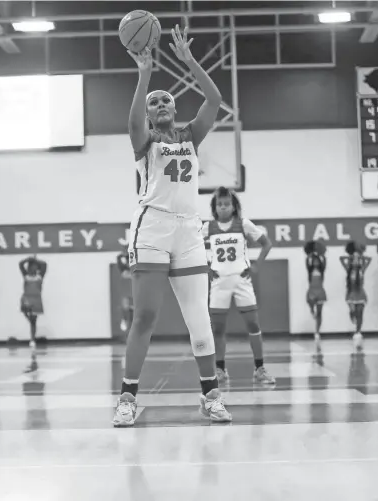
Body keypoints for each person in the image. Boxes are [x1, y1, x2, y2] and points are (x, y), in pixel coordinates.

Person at [112, 25, 231, 427]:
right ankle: (127, 398)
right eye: (154, 102)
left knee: (199, 315)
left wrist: (189, 62)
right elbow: (131, 127)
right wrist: (144, 74)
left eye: (166, 99)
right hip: (153, 228)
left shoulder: (191, 136)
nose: (161, 104)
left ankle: (211, 395)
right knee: (145, 314)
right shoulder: (144, 142)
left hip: (190, 231)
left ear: (175, 109)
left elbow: (214, 99)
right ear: (148, 113)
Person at [202, 187, 275, 384]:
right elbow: (192, 248)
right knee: (217, 329)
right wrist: (206, 268)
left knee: (253, 324)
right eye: (220, 204)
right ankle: (220, 369)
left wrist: (257, 264)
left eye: (227, 204)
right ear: (215, 208)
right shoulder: (208, 227)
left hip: (242, 281)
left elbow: (266, 243)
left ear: (234, 207)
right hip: (219, 282)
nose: (223, 208)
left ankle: (259, 369)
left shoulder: (244, 224)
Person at [340, 241, 371, 350]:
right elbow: (341, 258)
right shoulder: (348, 269)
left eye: (358, 260)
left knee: (360, 313)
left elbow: (369, 259)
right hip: (351, 293)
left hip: (361, 293)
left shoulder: (362, 269)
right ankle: (351, 314)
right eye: (354, 260)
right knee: (353, 312)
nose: (356, 261)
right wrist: (352, 256)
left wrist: (360, 255)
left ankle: (358, 331)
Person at [19, 256, 47, 348]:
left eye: (35, 266)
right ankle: (32, 336)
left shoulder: (39, 276)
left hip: (36, 300)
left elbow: (45, 265)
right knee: (26, 313)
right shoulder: (26, 276)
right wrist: (28, 259)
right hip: (27, 298)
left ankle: (32, 339)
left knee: (34, 321)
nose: (34, 268)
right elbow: (20, 264)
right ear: (29, 267)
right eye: (32, 266)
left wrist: (35, 260)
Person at [304, 239, 327, 350]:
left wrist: (320, 256)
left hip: (320, 288)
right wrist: (312, 254)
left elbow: (323, 263)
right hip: (312, 288)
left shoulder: (322, 262)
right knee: (309, 301)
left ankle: (317, 332)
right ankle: (311, 309)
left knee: (320, 312)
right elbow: (308, 262)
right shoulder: (309, 261)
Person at [116, 240, 134, 333]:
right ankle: (124, 320)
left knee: (133, 309)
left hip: (134, 290)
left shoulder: (133, 260)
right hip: (126, 290)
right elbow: (120, 261)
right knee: (125, 306)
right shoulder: (121, 259)